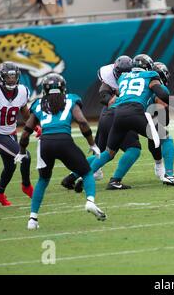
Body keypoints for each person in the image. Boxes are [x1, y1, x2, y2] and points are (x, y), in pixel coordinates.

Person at [15, 73, 106, 230]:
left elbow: (25, 132)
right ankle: (90, 201)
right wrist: (92, 144)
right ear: (63, 88)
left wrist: (22, 151)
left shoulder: (38, 104)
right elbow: (83, 122)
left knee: (43, 180)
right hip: (64, 141)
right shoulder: (71, 99)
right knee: (86, 172)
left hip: (45, 144)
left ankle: (32, 219)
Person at [61, 55, 142, 191]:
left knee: (104, 153)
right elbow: (105, 98)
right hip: (118, 116)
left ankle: (71, 177)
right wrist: (121, 94)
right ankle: (115, 180)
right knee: (133, 149)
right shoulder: (110, 81)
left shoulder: (119, 80)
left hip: (106, 117)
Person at [86, 54, 171, 182]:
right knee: (135, 148)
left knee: (107, 152)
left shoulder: (128, 78)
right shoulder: (146, 79)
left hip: (115, 114)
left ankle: (76, 173)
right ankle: (164, 170)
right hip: (120, 112)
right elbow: (105, 97)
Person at [0, 62, 38, 206]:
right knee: (25, 156)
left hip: (11, 133)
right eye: (8, 77)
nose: (11, 80)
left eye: (13, 77)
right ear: (2, 77)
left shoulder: (22, 91)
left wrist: (36, 127)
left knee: (10, 166)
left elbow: (25, 113)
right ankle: (27, 187)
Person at [147, 61, 174, 185]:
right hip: (141, 116)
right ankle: (169, 174)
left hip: (125, 114)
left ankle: (91, 172)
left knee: (115, 149)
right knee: (166, 138)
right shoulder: (160, 88)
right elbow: (162, 108)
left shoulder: (143, 82)